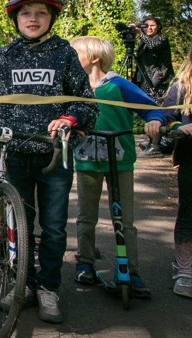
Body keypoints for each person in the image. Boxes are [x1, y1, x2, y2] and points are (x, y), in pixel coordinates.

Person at [0, 0, 98, 324]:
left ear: (52, 17)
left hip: (54, 156)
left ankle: (47, 287)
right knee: (19, 226)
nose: (33, 18)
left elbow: (87, 101)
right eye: (26, 13)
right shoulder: (5, 56)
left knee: (54, 228)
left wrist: (70, 116)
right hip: (15, 153)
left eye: (41, 12)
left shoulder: (64, 54)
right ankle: (24, 284)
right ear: (15, 18)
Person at [70, 36, 163, 299]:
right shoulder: (74, 88)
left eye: (76, 54)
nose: (71, 59)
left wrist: (154, 120)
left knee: (125, 218)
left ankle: (131, 270)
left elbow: (150, 108)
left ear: (94, 58)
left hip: (119, 159)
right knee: (86, 215)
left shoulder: (118, 84)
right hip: (87, 159)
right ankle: (85, 262)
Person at [162, 46, 192, 298]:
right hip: (190, 161)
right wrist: (179, 128)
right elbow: (166, 118)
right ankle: (185, 271)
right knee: (188, 216)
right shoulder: (181, 87)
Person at [131, 16, 175, 156]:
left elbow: (152, 45)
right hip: (145, 81)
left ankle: (155, 145)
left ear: (158, 27)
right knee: (148, 108)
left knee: (157, 110)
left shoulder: (162, 39)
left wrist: (140, 33)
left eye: (153, 25)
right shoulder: (142, 42)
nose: (149, 28)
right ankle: (149, 139)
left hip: (159, 80)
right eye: (146, 25)